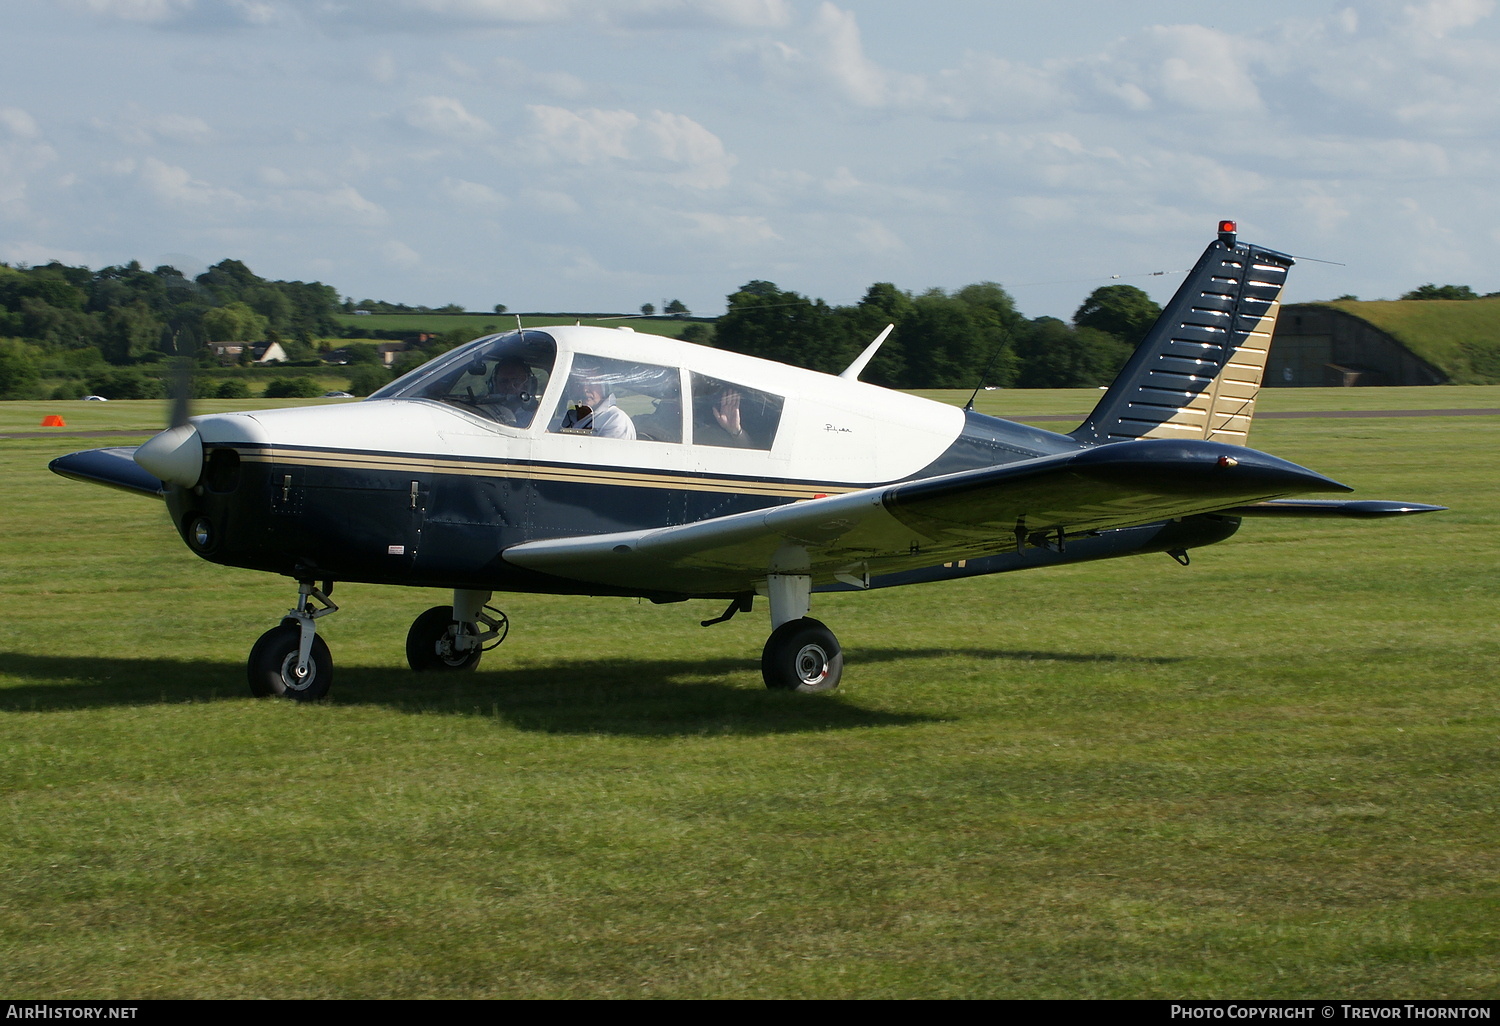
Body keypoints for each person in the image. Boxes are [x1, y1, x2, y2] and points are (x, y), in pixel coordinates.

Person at [560, 370, 636, 439]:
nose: (585, 389)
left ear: (603, 386)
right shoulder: (565, 418)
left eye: (591, 383)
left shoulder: (615, 419)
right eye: (578, 384)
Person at [488, 355, 538, 427]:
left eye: (516, 382)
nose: (509, 386)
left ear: (527, 386)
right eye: (504, 381)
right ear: (493, 385)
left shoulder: (537, 416)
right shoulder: (486, 412)